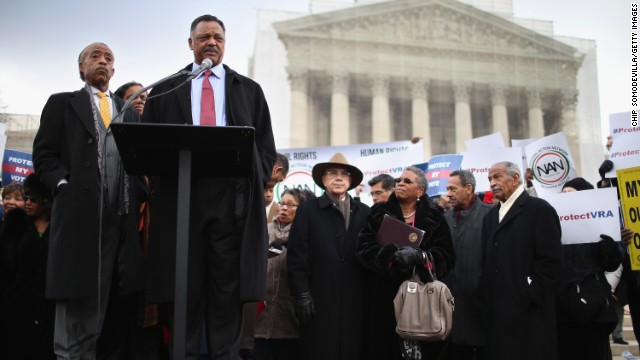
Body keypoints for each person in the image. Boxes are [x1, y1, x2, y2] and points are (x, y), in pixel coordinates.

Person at [142, 14, 276, 359]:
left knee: (225, 290)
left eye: (218, 37)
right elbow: (148, 144)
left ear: (225, 43)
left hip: (230, 199)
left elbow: (264, 146)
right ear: (191, 44)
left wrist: (251, 179)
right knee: (184, 286)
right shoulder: (167, 88)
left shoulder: (247, 89)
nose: (211, 43)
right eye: (204, 37)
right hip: (182, 197)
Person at [32, 42, 146, 359]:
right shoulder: (61, 104)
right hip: (77, 220)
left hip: (116, 222)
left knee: (97, 309)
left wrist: (139, 194)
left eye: (108, 58)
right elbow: (43, 155)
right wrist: (63, 185)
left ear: (114, 70)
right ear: (81, 68)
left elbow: (139, 163)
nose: (102, 61)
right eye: (94, 56)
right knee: (72, 307)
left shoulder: (127, 112)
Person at [356, 166, 455, 360]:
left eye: (407, 181)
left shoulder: (435, 216)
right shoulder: (378, 212)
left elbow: (447, 256)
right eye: (399, 180)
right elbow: (363, 249)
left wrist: (420, 257)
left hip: (422, 300)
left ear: (420, 191)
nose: (400, 183)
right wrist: (390, 255)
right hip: (384, 299)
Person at [287, 152, 370, 360]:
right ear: (323, 180)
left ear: (351, 181)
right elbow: (296, 256)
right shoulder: (308, 210)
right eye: (332, 173)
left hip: (355, 300)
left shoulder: (365, 212)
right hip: (318, 299)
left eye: (344, 173)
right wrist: (302, 295)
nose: (339, 177)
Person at [480, 161, 564, 360]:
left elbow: (551, 262)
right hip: (498, 316)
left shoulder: (539, 210)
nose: (492, 183)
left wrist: (529, 293)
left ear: (515, 178)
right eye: (490, 179)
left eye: (497, 177)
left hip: (530, 317)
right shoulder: (490, 217)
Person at [556, 177, 621, 359]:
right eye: (563, 193)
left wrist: (610, 247)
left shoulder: (600, 226)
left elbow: (611, 264)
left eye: (571, 193)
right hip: (562, 307)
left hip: (594, 305)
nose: (566, 197)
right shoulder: (554, 226)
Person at [254, 188, 316, 360]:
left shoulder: (307, 235)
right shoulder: (263, 230)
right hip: (260, 322)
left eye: (291, 205)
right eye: (282, 203)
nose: (283, 208)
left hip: (291, 324)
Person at [0, 174, 55, 359]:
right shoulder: (17, 223)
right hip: (17, 304)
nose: (28, 203)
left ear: (46, 201)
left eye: (34, 199)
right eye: (26, 198)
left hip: (47, 308)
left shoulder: (58, 227)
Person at [442, 170, 492, 360]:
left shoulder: (489, 216)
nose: (448, 193)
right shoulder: (445, 218)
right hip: (452, 305)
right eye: (447, 189)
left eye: (453, 188)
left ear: (468, 188)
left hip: (481, 303)